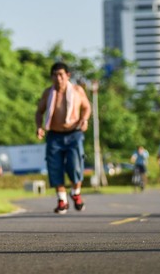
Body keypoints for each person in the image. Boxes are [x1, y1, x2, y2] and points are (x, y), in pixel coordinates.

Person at [35, 62, 92, 214]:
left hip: (74, 133)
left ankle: (75, 193)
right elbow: (39, 112)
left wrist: (84, 119)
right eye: (54, 75)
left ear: (68, 75)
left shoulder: (77, 90)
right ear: (51, 77)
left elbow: (87, 107)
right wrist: (39, 127)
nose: (58, 78)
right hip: (54, 135)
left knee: (75, 166)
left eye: (61, 74)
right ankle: (62, 200)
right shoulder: (48, 93)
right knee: (54, 167)